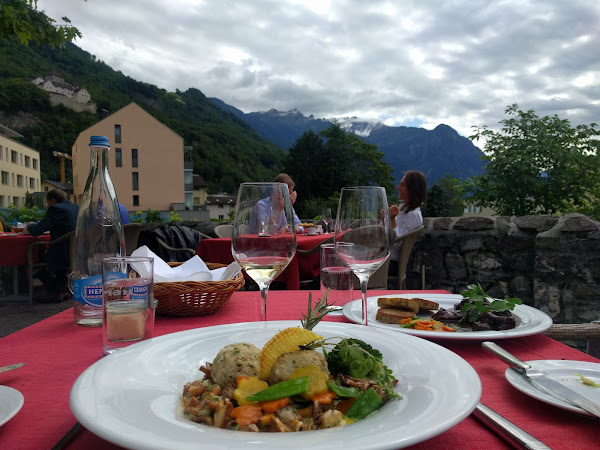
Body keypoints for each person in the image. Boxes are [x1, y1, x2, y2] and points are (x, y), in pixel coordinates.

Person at [26, 189, 79, 302]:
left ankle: (56, 290)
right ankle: (62, 288)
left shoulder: (55, 209)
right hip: (76, 251)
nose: (47, 205)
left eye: (48, 202)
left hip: (61, 253)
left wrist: (29, 225)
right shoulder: (76, 207)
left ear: (53, 201)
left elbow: (37, 231)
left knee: (35, 256)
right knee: (45, 252)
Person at [388, 170, 427, 274]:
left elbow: (396, 245)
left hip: (389, 263)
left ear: (412, 189)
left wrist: (391, 220)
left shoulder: (414, 215)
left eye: (402, 185)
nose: (397, 187)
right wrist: (384, 219)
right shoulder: (403, 209)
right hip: (384, 258)